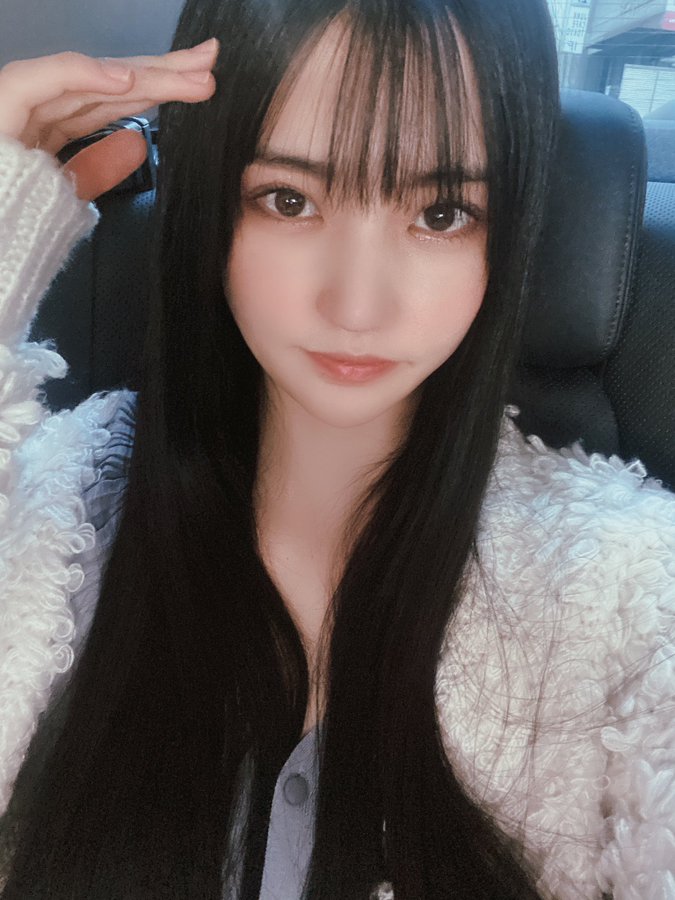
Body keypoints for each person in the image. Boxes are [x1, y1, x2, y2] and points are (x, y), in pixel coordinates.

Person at [0, 0, 673, 897]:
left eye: (442, 213)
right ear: (209, 204)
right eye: (289, 200)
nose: (357, 306)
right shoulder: (50, 516)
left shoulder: (635, 586)